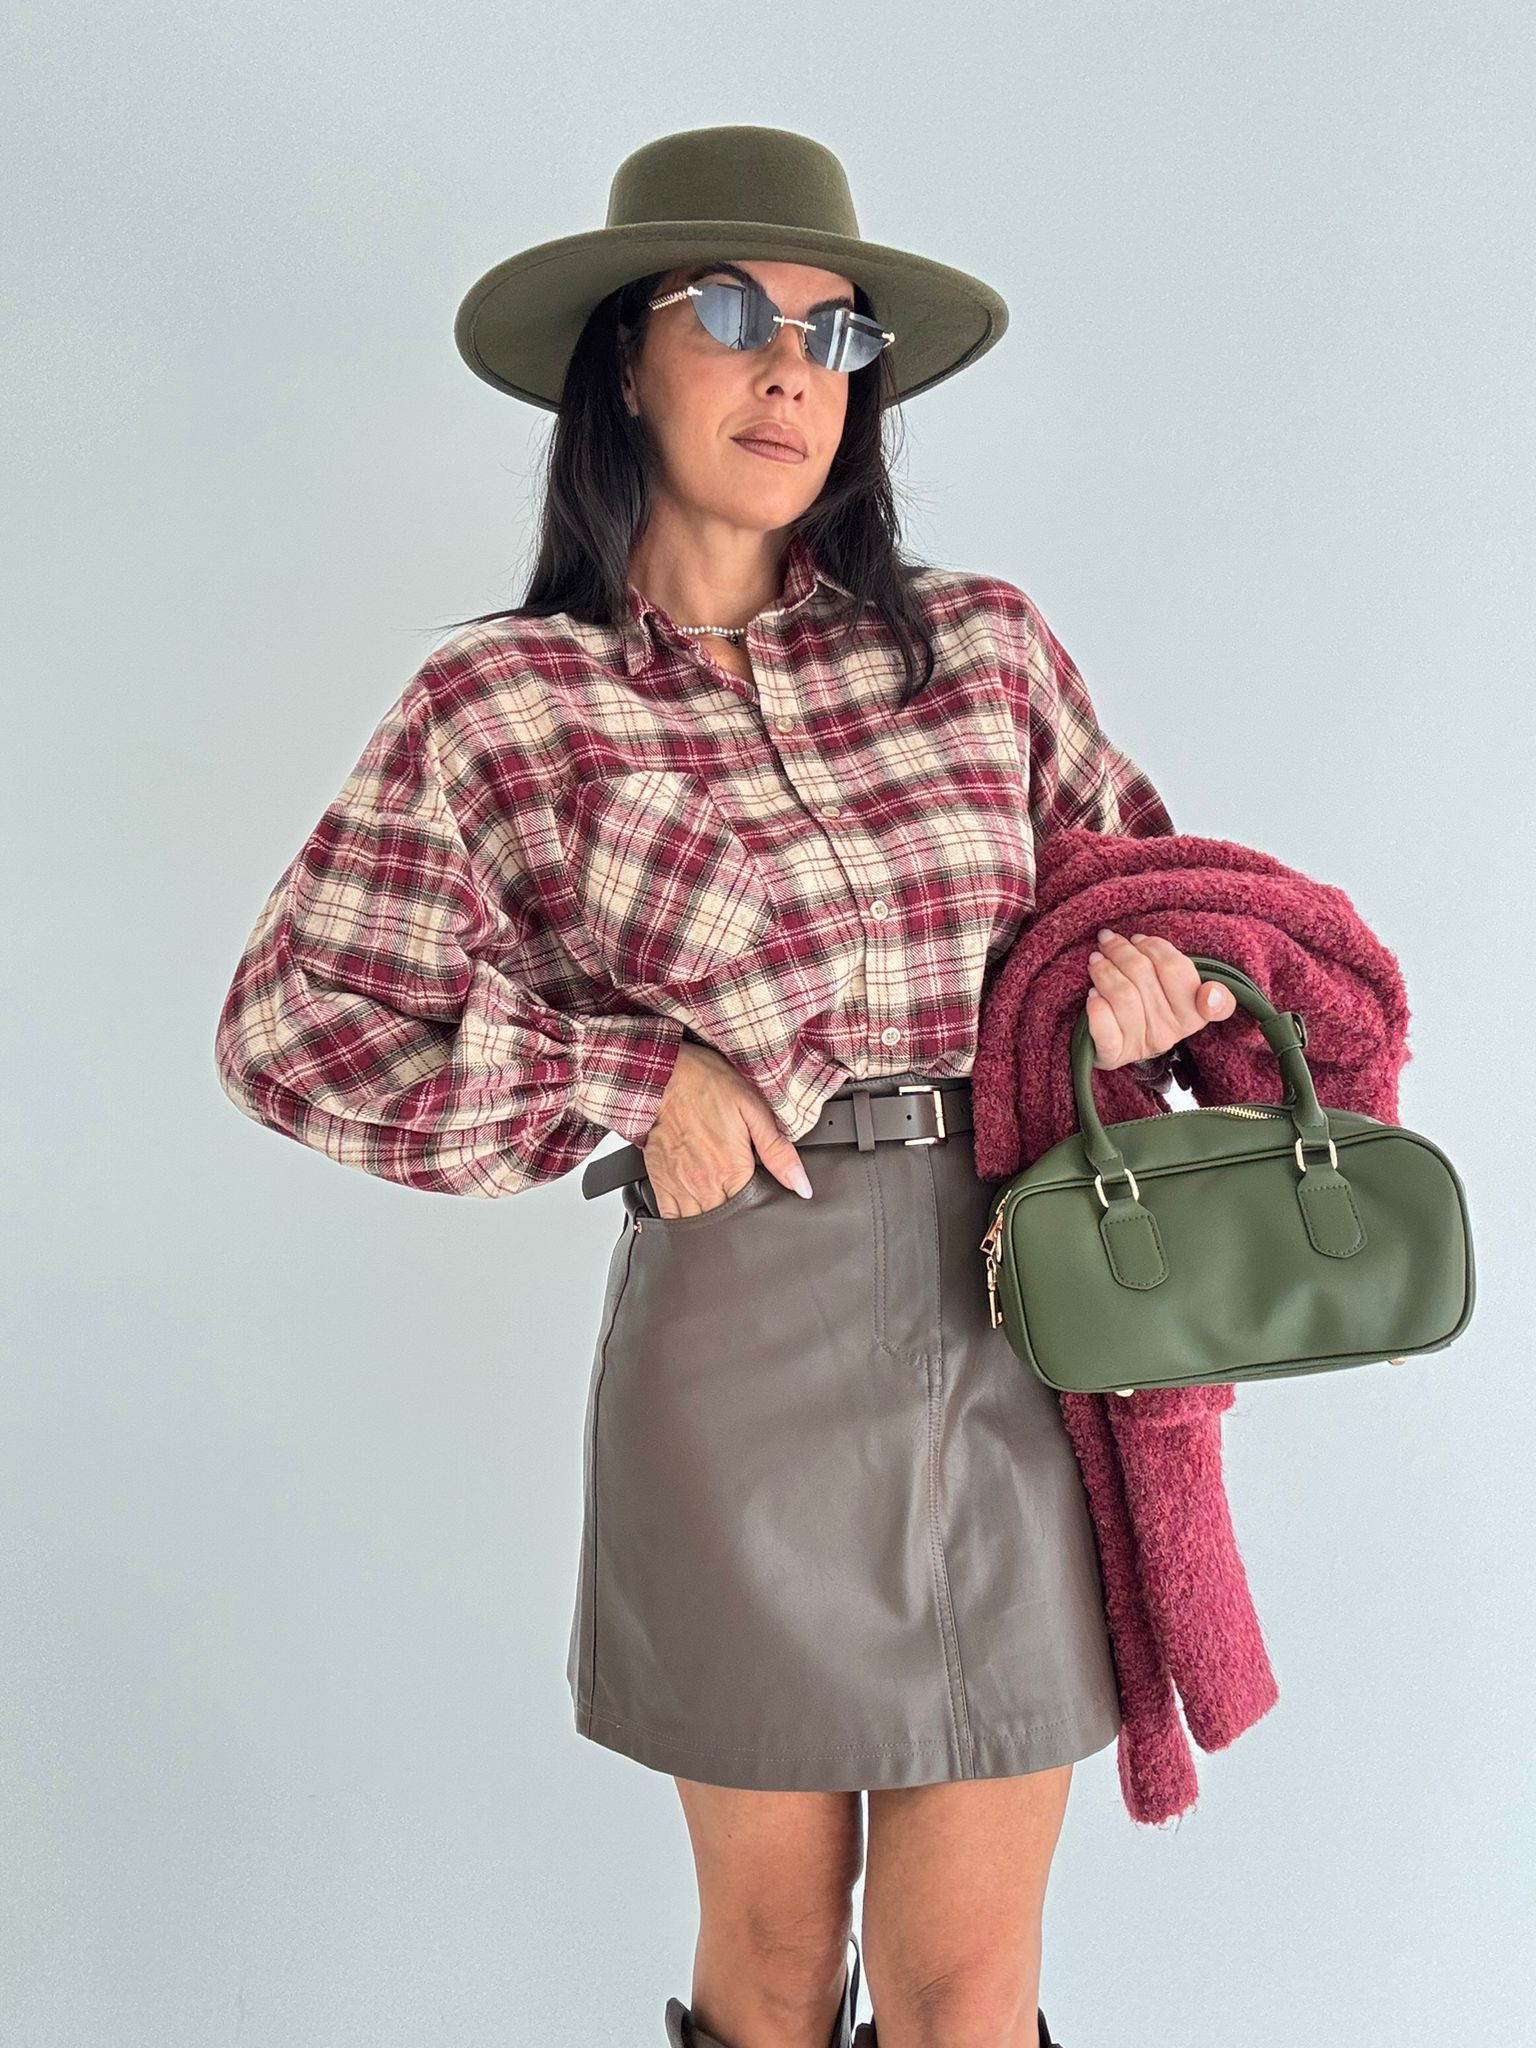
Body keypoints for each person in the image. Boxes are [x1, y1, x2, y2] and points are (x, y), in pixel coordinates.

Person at [214, 125, 1237, 2048]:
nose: (792, 375)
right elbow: (290, 1028)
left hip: (1029, 1314)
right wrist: (629, 1077)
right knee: (769, 1968)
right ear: (625, 355)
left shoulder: (984, 652)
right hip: (742, 1322)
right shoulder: (506, 707)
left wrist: (1139, 1002)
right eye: (736, 317)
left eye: (837, 339)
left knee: (967, 1985)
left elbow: (1169, 926)